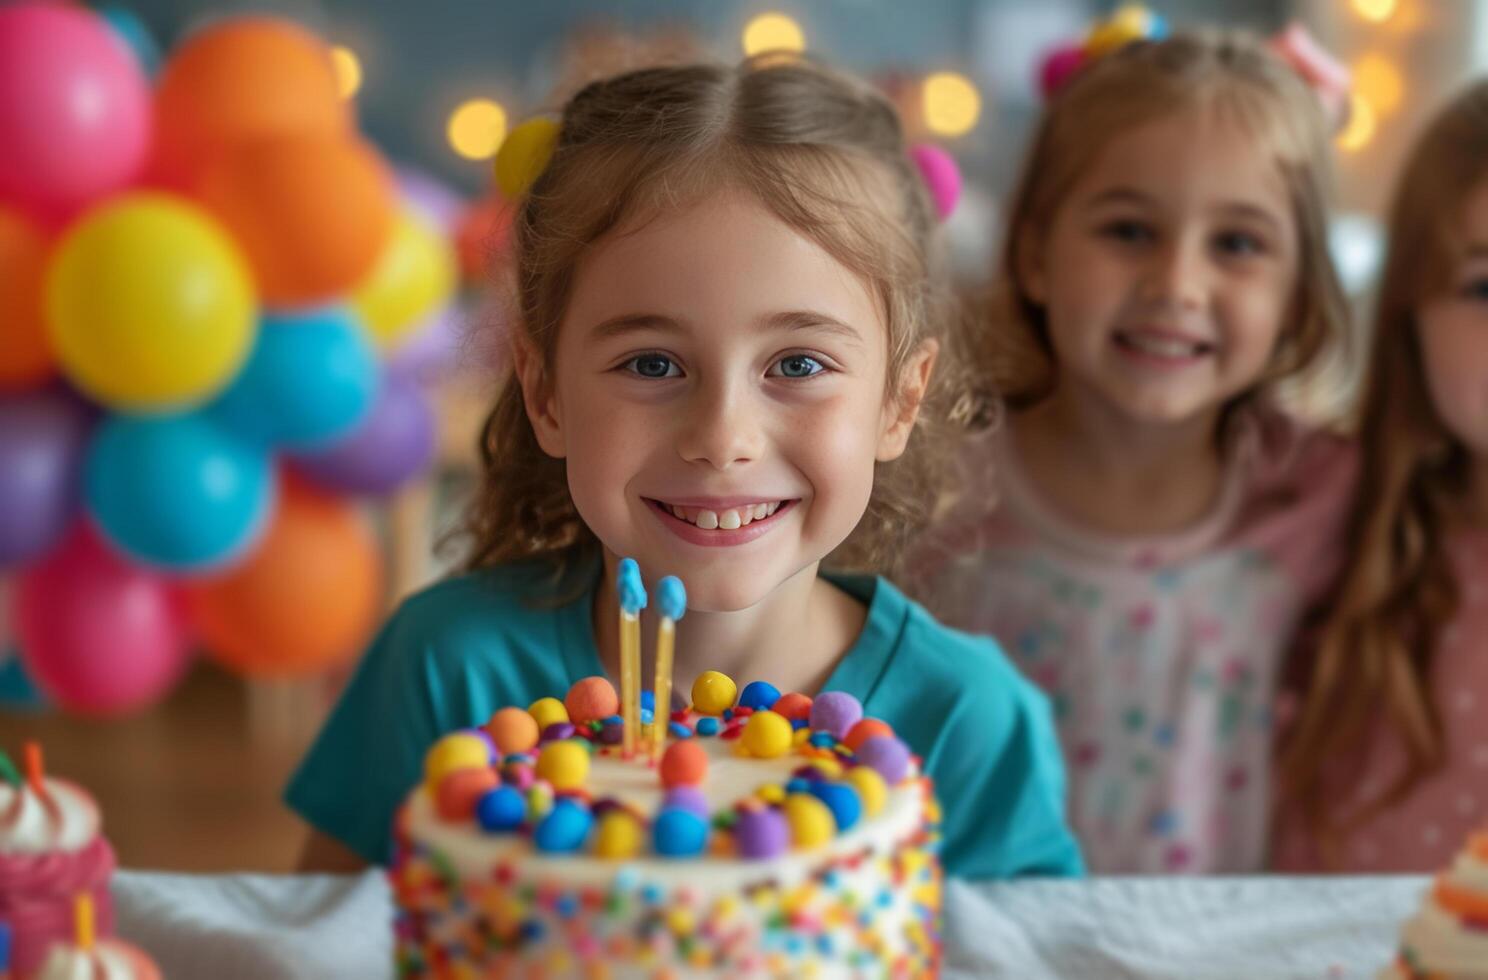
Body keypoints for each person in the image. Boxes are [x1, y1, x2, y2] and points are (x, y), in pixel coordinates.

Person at [289, 56, 1082, 879]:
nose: (722, 436)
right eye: (652, 365)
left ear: (899, 401)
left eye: (800, 365)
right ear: (546, 393)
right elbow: (320, 942)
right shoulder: (446, 668)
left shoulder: (966, 720)